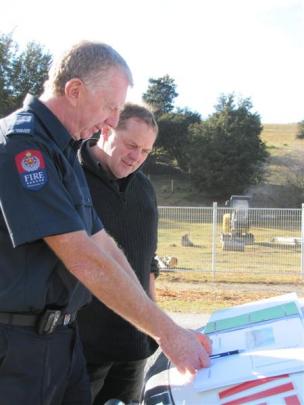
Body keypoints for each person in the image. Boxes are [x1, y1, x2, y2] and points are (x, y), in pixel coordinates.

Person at [0, 40, 211, 405]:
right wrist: (168, 335)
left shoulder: (63, 150)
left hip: (62, 345)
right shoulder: (23, 146)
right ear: (75, 90)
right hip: (16, 351)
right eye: (110, 107)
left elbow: (102, 244)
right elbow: (82, 257)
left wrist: (166, 326)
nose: (112, 120)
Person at [78, 103, 160, 404]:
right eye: (131, 145)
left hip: (133, 347)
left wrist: (154, 317)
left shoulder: (145, 189)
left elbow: (148, 258)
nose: (136, 157)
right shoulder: (71, 178)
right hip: (81, 349)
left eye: (146, 151)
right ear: (106, 129)